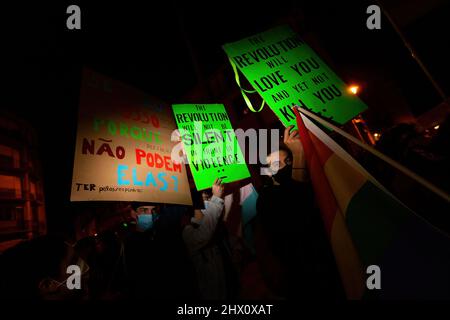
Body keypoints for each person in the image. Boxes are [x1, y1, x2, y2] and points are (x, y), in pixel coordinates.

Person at [254, 125, 344, 299]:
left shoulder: (314, 182)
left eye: (287, 161)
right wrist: (299, 155)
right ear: (268, 173)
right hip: (304, 282)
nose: (284, 166)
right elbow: (298, 211)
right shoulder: (266, 201)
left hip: (334, 269)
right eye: (276, 165)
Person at [182, 178, 228, 300]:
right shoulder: (187, 231)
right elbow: (204, 234)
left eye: (209, 198)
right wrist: (216, 199)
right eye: (205, 199)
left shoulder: (216, 228)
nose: (209, 202)